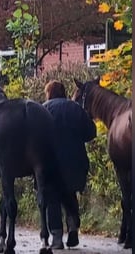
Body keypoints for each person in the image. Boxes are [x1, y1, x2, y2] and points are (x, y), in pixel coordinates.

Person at [43, 80, 97, 250]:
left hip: (50, 163)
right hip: (75, 161)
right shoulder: (76, 108)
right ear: (64, 92)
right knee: (69, 194)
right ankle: (73, 227)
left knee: (52, 198)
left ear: (49, 93)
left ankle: (57, 237)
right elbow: (91, 132)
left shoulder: (42, 109)